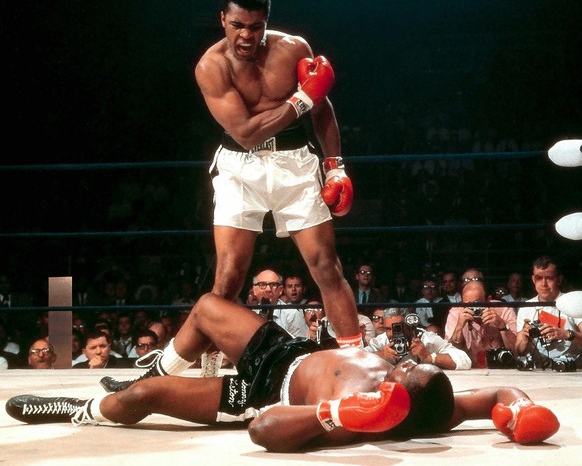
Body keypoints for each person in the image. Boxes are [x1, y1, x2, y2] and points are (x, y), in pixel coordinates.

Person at [7, 292, 560, 450]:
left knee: (147, 396)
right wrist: (522, 411)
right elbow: (495, 394)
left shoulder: (375, 416)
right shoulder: (440, 397)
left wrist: (337, 411)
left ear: (400, 403)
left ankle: (87, 410)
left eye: (401, 374)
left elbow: (263, 429)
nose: (401, 364)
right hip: (287, 347)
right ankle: (149, 364)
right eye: (408, 365)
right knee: (206, 307)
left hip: (265, 388)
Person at [192, 0, 360, 346]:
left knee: (326, 266)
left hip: (295, 161)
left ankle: (355, 358)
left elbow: (322, 108)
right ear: (223, 19)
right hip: (239, 167)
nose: (246, 35)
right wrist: (301, 100)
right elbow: (247, 133)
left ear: (266, 22)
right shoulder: (211, 67)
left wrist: (335, 166)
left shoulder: (293, 48)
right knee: (230, 274)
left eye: (255, 27)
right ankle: (208, 364)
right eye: (238, 25)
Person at [515, 256, 581, 369]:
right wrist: (524, 338)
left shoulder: (573, 302)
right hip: (539, 372)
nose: (544, 283)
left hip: (572, 370)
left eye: (549, 278)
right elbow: (518, 352)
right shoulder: (526, 307)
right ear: (533, 279)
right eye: (539, 278)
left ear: (559, 280)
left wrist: (566, 334)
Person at [365, 308, 471, 370]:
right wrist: (380, 355)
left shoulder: (426, 339)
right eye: (388, 329)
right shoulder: (381, 341)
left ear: (409, 326)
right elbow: (354, 358)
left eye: (398, 328)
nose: (393, 333)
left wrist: (429, 356)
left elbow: (464, 361)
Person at [445, 277, 517, 368]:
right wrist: (459, 327)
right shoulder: (456, 312)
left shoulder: (503, 310)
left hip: (499, 369)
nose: (473, 309)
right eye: (467, 304)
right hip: (469, 370)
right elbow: (450, 354)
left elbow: (516, 351)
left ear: (488, 300)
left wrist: (502, 326)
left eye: (476, 303)